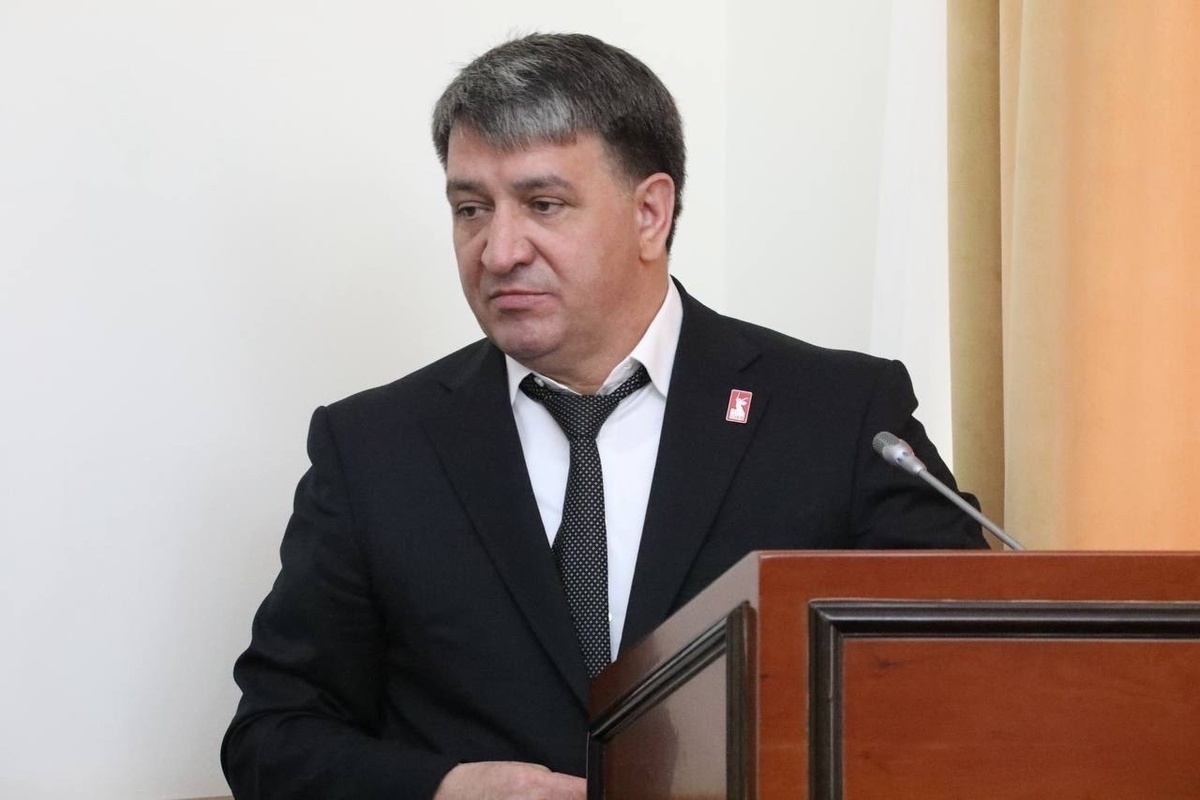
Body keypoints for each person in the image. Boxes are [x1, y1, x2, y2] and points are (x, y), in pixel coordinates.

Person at [221, 32, 986, 800]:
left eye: (543, 205)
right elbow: (273, 736)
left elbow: (969, 680)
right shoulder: (375, 449)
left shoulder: (839, 418)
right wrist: (446, 789)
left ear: (650, 212)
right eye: (471, 209)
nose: (498, 251)